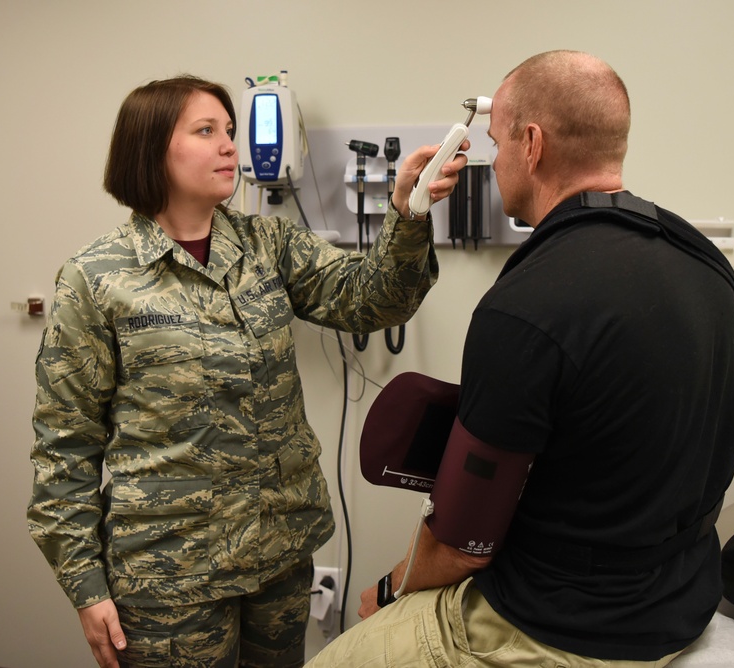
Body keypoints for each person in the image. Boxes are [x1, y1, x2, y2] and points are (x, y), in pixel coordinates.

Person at [305, 50, 734, 667]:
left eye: (494, 143)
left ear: (532, 144)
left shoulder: (527, 305)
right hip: (681, 599)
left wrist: (392, 587)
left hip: (565, 627)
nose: (493, 161)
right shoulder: (706, 265)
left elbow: (464, 545)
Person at [27, 74, 468, 668]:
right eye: (206, 131)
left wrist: (407, 212)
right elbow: (65, 447)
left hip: (278, 558)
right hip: (169, 575)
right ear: (151, 148)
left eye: (230, 131)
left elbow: (375, 300)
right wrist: (85, 586)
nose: (230, 145)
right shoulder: (96, 279)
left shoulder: (268, 245)